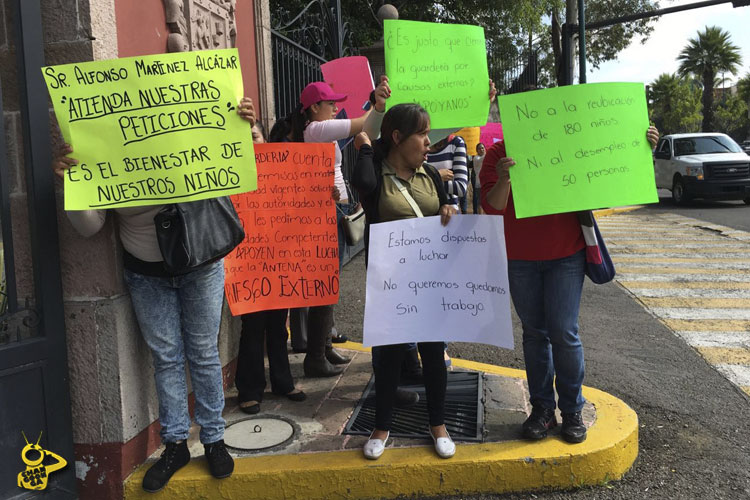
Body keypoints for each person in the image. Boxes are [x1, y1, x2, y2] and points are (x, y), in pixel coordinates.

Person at [52, 97, 258, 493]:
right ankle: (176, 444)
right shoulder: (104, 156)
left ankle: (214, 439)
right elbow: (88, 227)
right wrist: (71, 185)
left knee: (203, 352)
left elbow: (233, 167)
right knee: (167, 358)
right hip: (146, 274)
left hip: (200, 264)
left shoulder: (186, 137)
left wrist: (242, 128)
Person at [480, 124, 660, 444]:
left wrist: (640, 147)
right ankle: (542, 410)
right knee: (535, 334)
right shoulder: (496, 154)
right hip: (520, 259)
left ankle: (572, 410)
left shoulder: (568, 147)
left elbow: (610, 174)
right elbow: (492, 207)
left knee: (564, 332)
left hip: (566, 254)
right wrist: (505, 177)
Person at [352, 101, 458, 461]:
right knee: (388, 355)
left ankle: (438, 424)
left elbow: (446, 214)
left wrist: (449, 211)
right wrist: (366, 147)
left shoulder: (429, 175)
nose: (429, 142)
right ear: (397, 137)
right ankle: (382, 425)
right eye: (422, 134)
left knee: (432, 350)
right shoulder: (376, 177)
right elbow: (361, 181)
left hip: (428, 280)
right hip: (390, 283)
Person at [279, 79, 387, 377]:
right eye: (330, 104)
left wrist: (374, 106)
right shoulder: (315, 130)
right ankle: (315, 356)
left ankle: (324, 347)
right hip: (324, 214)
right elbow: (365, 125)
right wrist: (375, 103)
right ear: (314, 107)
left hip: (332, 210)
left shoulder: (318, 130)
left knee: (329, 285)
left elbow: (367, 129)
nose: (335, 108)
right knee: (324, 287)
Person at [234, 121, 306, 415]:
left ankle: (282, 381)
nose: (251, 144)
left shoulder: (283, 171)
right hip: (245, 261)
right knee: (252, 326)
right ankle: (250, 389)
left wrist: (327, 199)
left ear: (265, 140)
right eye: (244, 140)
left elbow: (303, 204)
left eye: (254, 136)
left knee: (279, 324)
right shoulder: (233, 176)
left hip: (279, 258)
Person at [471, 142, 486, 214]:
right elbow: (483, 159)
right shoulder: (476, 158)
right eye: (479, 148)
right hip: (479, 183)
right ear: (477, 151)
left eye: (483, 148)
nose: (481, 150)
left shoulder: (485, 157)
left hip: (486, 182)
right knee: (480, 202)